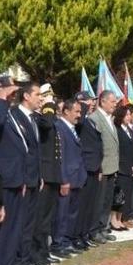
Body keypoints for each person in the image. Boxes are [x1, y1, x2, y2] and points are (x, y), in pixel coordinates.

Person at [0, 79, 42, 265]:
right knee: (2, 228)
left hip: (18, 178)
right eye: (11, 90)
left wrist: (26, 177)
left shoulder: (13, 113)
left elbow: (26, 148)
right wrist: (1, 98)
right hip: (3, 178)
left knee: (15, 227)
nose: (15, 94)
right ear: (0, 91)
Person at [52, 99, 86, 256]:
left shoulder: (72, 128)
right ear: (66, 111)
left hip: (77, 177)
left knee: (72, 212)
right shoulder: (59, 127)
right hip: (67, 178)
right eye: (76, 112)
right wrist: (63, 180)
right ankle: (58, 243)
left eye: (80, 112)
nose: (79, 115)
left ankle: (67, 239)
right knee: (62, 213)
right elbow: (60, 157)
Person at [32, 101, 62, 265]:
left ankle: (44, 251)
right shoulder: (42, 118)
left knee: (48, 218)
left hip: (53, 176)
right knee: (40, 219)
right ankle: (36, 253)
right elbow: (47, 124)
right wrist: (48, 106)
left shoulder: (46, 118)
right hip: (45, 175)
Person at [75, 93, 105, 247]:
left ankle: (86, 234)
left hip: (94, 167)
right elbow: (78, 123)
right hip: (85, 167)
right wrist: (83, 105)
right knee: (83, 205)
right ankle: (79, 235)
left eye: (93, 101)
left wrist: (99, 167)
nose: (92, 103)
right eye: (89, 101)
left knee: (90, 205)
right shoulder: (80, 120)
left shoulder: (90, 120)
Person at [91, 91, 120, 236]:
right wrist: (99, 167)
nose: (115, 104)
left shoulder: (109, 118)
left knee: (107, 200)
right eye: (112, 101)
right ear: (102, 101)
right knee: (99, 201)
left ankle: (103, 226)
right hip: (102, 167)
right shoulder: (95, 118)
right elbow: (96, 146)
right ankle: (95, 229)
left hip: (111, 167)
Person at [113, 104, 133, 228]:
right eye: (127, 115)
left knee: (127, 194)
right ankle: (117, 220)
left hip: (130, 166)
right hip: (121, 167)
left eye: (129, 114)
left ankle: (124, 218)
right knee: (120, 194)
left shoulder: (128, 129)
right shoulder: (117, 129)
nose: (129, 117)